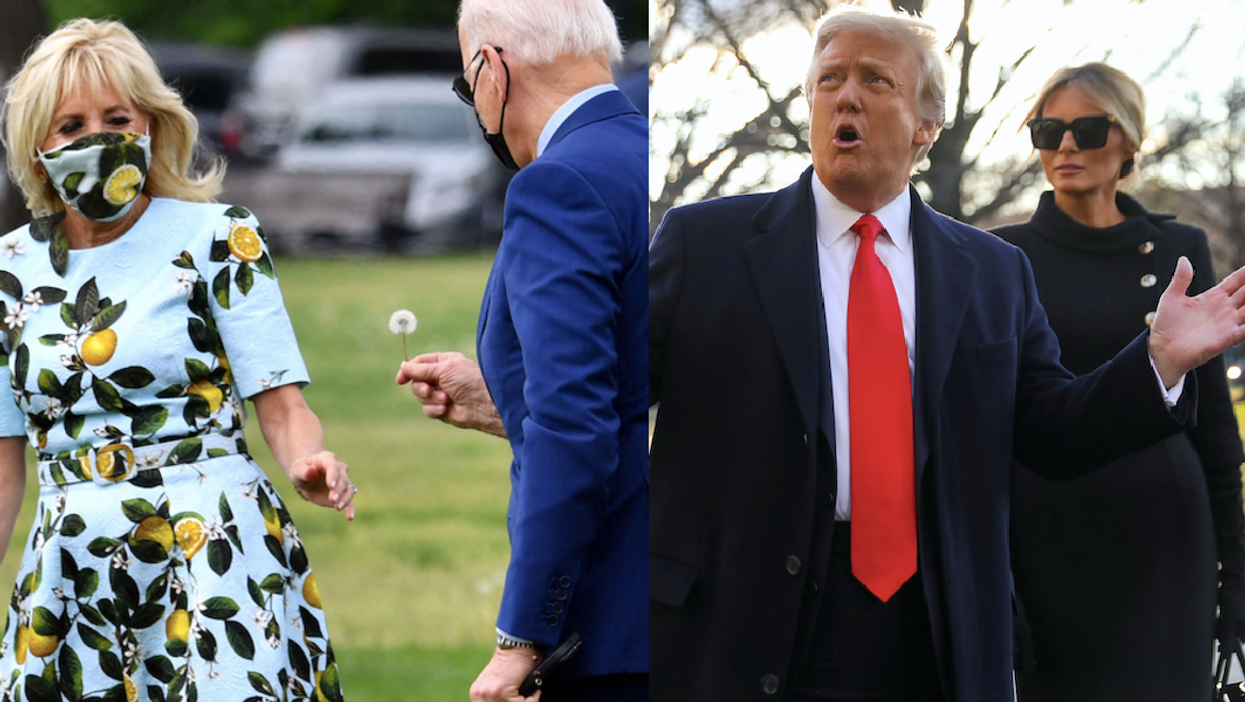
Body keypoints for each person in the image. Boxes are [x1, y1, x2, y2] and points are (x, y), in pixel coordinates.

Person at [648, 6, 1245, 702]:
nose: (845, 95)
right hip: (747, 618)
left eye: (876, 80)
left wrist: (1158, 363)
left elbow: (1050, 428)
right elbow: (611, 388)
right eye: (828, 78)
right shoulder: (704, 244)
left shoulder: (990, 270)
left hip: (935, 623)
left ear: (924, 128)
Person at [0, 19, 354, 702]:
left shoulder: (220, 237)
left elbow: (283, 410)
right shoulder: (8, 271)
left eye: (116, 117)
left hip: (212, 546)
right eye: (70, 126)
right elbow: (3, 463)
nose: (96, 140)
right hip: (71, 569)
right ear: (38, 148)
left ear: (152, 126)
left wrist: (311, 463)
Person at [394, 1, 648, 701]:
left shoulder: (558, 183)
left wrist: (519, 640)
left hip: (613, 622)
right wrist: (504, 400)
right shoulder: (644, 156)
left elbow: (576, 428)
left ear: (490, 68)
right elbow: (638, 388)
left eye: (465, 80)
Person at [991, 62, 1245, 702]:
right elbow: (990, 430)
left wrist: (1236, 579)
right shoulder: (998, 256)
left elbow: (1215, 427)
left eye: (1087, 127)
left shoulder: (1177, 248)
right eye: (1048, 130)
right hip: (1049, 541)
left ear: (1130, 139)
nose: (1066, 145)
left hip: (1167, 538)